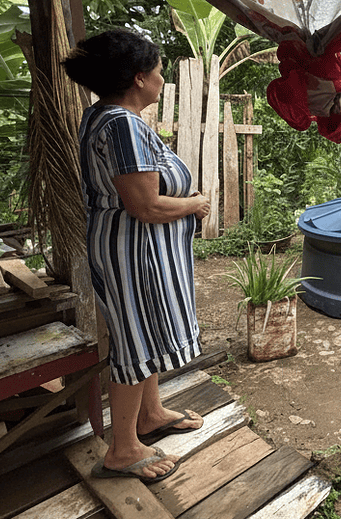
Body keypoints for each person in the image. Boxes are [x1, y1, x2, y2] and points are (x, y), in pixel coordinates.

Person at [63, 29, 209, 483]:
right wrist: (194, 204)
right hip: (133, 249)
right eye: (161, 71)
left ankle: (151, 415)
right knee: (135, 340)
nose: (164, 80)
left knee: (141, 333)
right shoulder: (122, 125)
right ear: (139, 77)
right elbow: (144, 205)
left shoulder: (102, 116)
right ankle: (122, 449)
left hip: (130, 245)